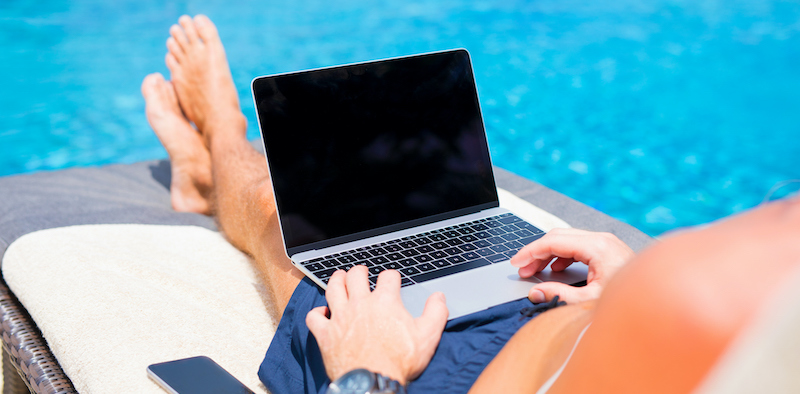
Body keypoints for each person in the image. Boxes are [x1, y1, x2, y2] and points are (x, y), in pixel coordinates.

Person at [141, 15, 800, 393]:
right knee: (381, 213)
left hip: (434, 370)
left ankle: (218, 144)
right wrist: (621, 297)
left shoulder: (719, 313)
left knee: (278, 218)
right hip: (553, 310)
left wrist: (367, 373)